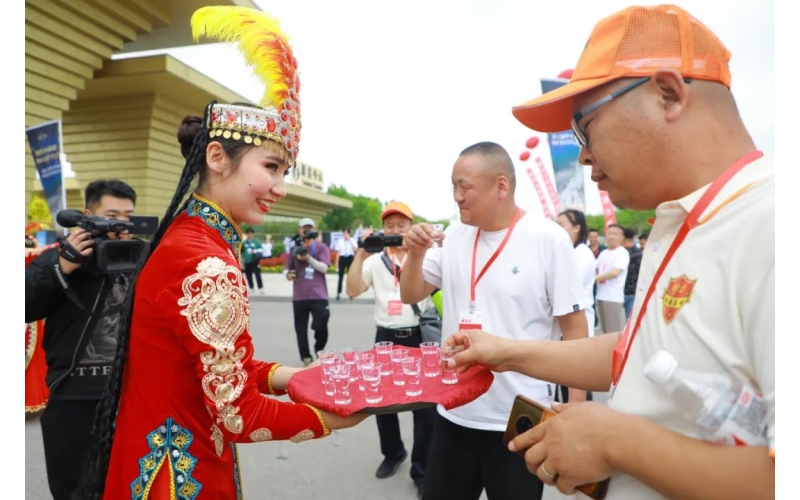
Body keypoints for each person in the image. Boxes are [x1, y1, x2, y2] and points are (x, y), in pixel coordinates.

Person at [446, 4, 774, 499]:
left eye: (585, 125)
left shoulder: (772, 224)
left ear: (668, 94)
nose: (582, 154)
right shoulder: (683, 224)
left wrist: (616, 442)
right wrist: (506, 352)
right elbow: (639, 351)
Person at [77, 7, 367, 499]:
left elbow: (218, 369)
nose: (280, 187)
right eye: (271, 167)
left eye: (285, 172)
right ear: (217, 157)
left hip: (157, 460)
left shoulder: (189, 239)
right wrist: (328, 419)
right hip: (180, 479)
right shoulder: (205, 262)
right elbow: (238, 414)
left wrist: (297, 377)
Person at [400, 141, 588, 500]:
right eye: (453, 186)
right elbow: (411, 293)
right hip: (455, 409)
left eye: (465, 186)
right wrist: (415, 254)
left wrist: (575, 406)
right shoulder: (453, 236)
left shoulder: (548, 239)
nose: (457, 196)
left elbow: (574, 328)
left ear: (501, 185)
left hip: (520, 416)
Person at [25, 178, 137, 500]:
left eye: (128, 216)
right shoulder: (59, 257)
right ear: (87, 216)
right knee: (73, 488)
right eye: (112, 215)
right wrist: (63, 266)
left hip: (129, 395)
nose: (121, 225)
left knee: (128, 485)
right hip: (73, 395)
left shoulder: (142, 256)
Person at [346, 201, 437, 498]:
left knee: (426, 408)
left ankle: (421, 469)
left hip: (420, 336)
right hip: (386, 337)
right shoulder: (375, 261)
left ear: (412, 226)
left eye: (401, 225)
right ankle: (393, 452)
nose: (396, 230)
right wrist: (361, 252)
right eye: (390, 226)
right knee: (382, 402)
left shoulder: (425, 257)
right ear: (382, 230)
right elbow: (352, 290)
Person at [555, 208, 597, 404]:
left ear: (576, 228)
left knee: (577, 380)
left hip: (578, 325)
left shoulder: (582, 253)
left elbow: (568, 284)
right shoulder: (569, 251)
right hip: (564, 325)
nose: (557, 228)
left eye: (561, 224)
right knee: (564, 378)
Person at [285, 218, 332, 366]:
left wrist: (308, 258)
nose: (306, 231)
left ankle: (319, 347)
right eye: (304, 228)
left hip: (319, 294)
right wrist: (288, 275)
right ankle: (305, 357)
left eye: (309, 228)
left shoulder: (321, 247)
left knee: (321, 324)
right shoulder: (294, 248)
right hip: (300, 296)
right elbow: (286, 269)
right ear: (299, 230)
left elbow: (324, 268)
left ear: (314, 230)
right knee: (300, 329)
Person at [594, 223, 629, 334]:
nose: (612, 237)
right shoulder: (603, 253)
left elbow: (615, 272)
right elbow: (595, 268)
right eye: (609, 234)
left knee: (613, 332)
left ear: (622, 237)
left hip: (613, 297)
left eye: (615, 234)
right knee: (604, 331)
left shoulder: (622, 253)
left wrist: (594, 278)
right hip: (601, 295)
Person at [622, 226, 643, 320]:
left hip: (619, 291)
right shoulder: (639, 253)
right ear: (633, 237)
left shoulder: (619, 252)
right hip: (634, 290)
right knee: (630, 320)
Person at [334, 227, 357, 300]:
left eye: (347, 233)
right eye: (344, 233)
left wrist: (349, 240)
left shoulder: (353, 240)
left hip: (350, 257)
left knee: (350, 277)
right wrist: (337, 262)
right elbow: (338, 252)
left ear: (349, 234)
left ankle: (351, 293)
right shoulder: (340, 241)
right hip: (342, 258)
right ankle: (338, 293)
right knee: (340, 276)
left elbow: (355, 250)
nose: (345, 235)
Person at [242, 227, 265, 294]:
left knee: (257, 274)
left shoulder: (256, 242)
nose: (249, 235)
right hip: (247, 261)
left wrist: (255, 251)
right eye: (248, 233)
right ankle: (251, 287)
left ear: (253, 234)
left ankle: (260, 288)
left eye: (250, 233)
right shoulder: (244, 243)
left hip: (255, 261)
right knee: (248, 275)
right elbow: (242, 251)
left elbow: (262, 250)